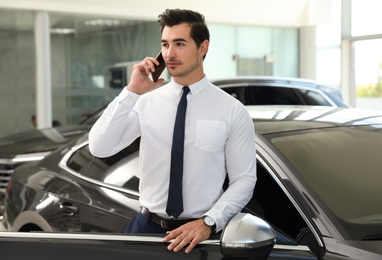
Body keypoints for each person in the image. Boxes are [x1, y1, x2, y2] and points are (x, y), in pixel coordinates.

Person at [88, 8, 257, 254]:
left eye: (179, 43)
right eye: (165, 44)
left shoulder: (232, 111)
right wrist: (132, 91)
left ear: (203, 47)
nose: (170, 53)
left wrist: (209, 222)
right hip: (146, 229)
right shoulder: (145, 102)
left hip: (201, 236)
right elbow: (100, 146)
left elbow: (244, 179)